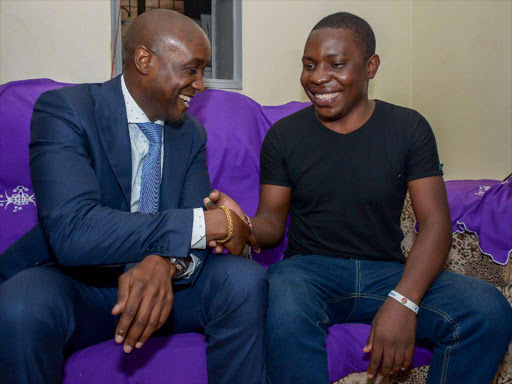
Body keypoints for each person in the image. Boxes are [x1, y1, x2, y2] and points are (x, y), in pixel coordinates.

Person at [205, 12, 512, 384]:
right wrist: (242, 225)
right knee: (283, 300)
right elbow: (270, 222)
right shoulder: (284, 137)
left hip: (386, 271)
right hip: (308, 272)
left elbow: (435, 224)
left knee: (488, 310)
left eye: (336, 64)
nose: (318, 77)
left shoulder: (408, 128)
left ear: (371, 67)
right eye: (309, 65)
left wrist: (404, 300)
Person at [0, 9, 266, 384]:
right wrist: (203, 224)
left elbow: (187, 231)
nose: (200, 85)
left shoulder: (191, 135)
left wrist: (164, 263)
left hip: (165, 286)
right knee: (19, 306)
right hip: (78, 282)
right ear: (145, 61)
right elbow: (74, 230)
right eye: (191, 69)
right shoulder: (65, 111)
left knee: (243, 281)